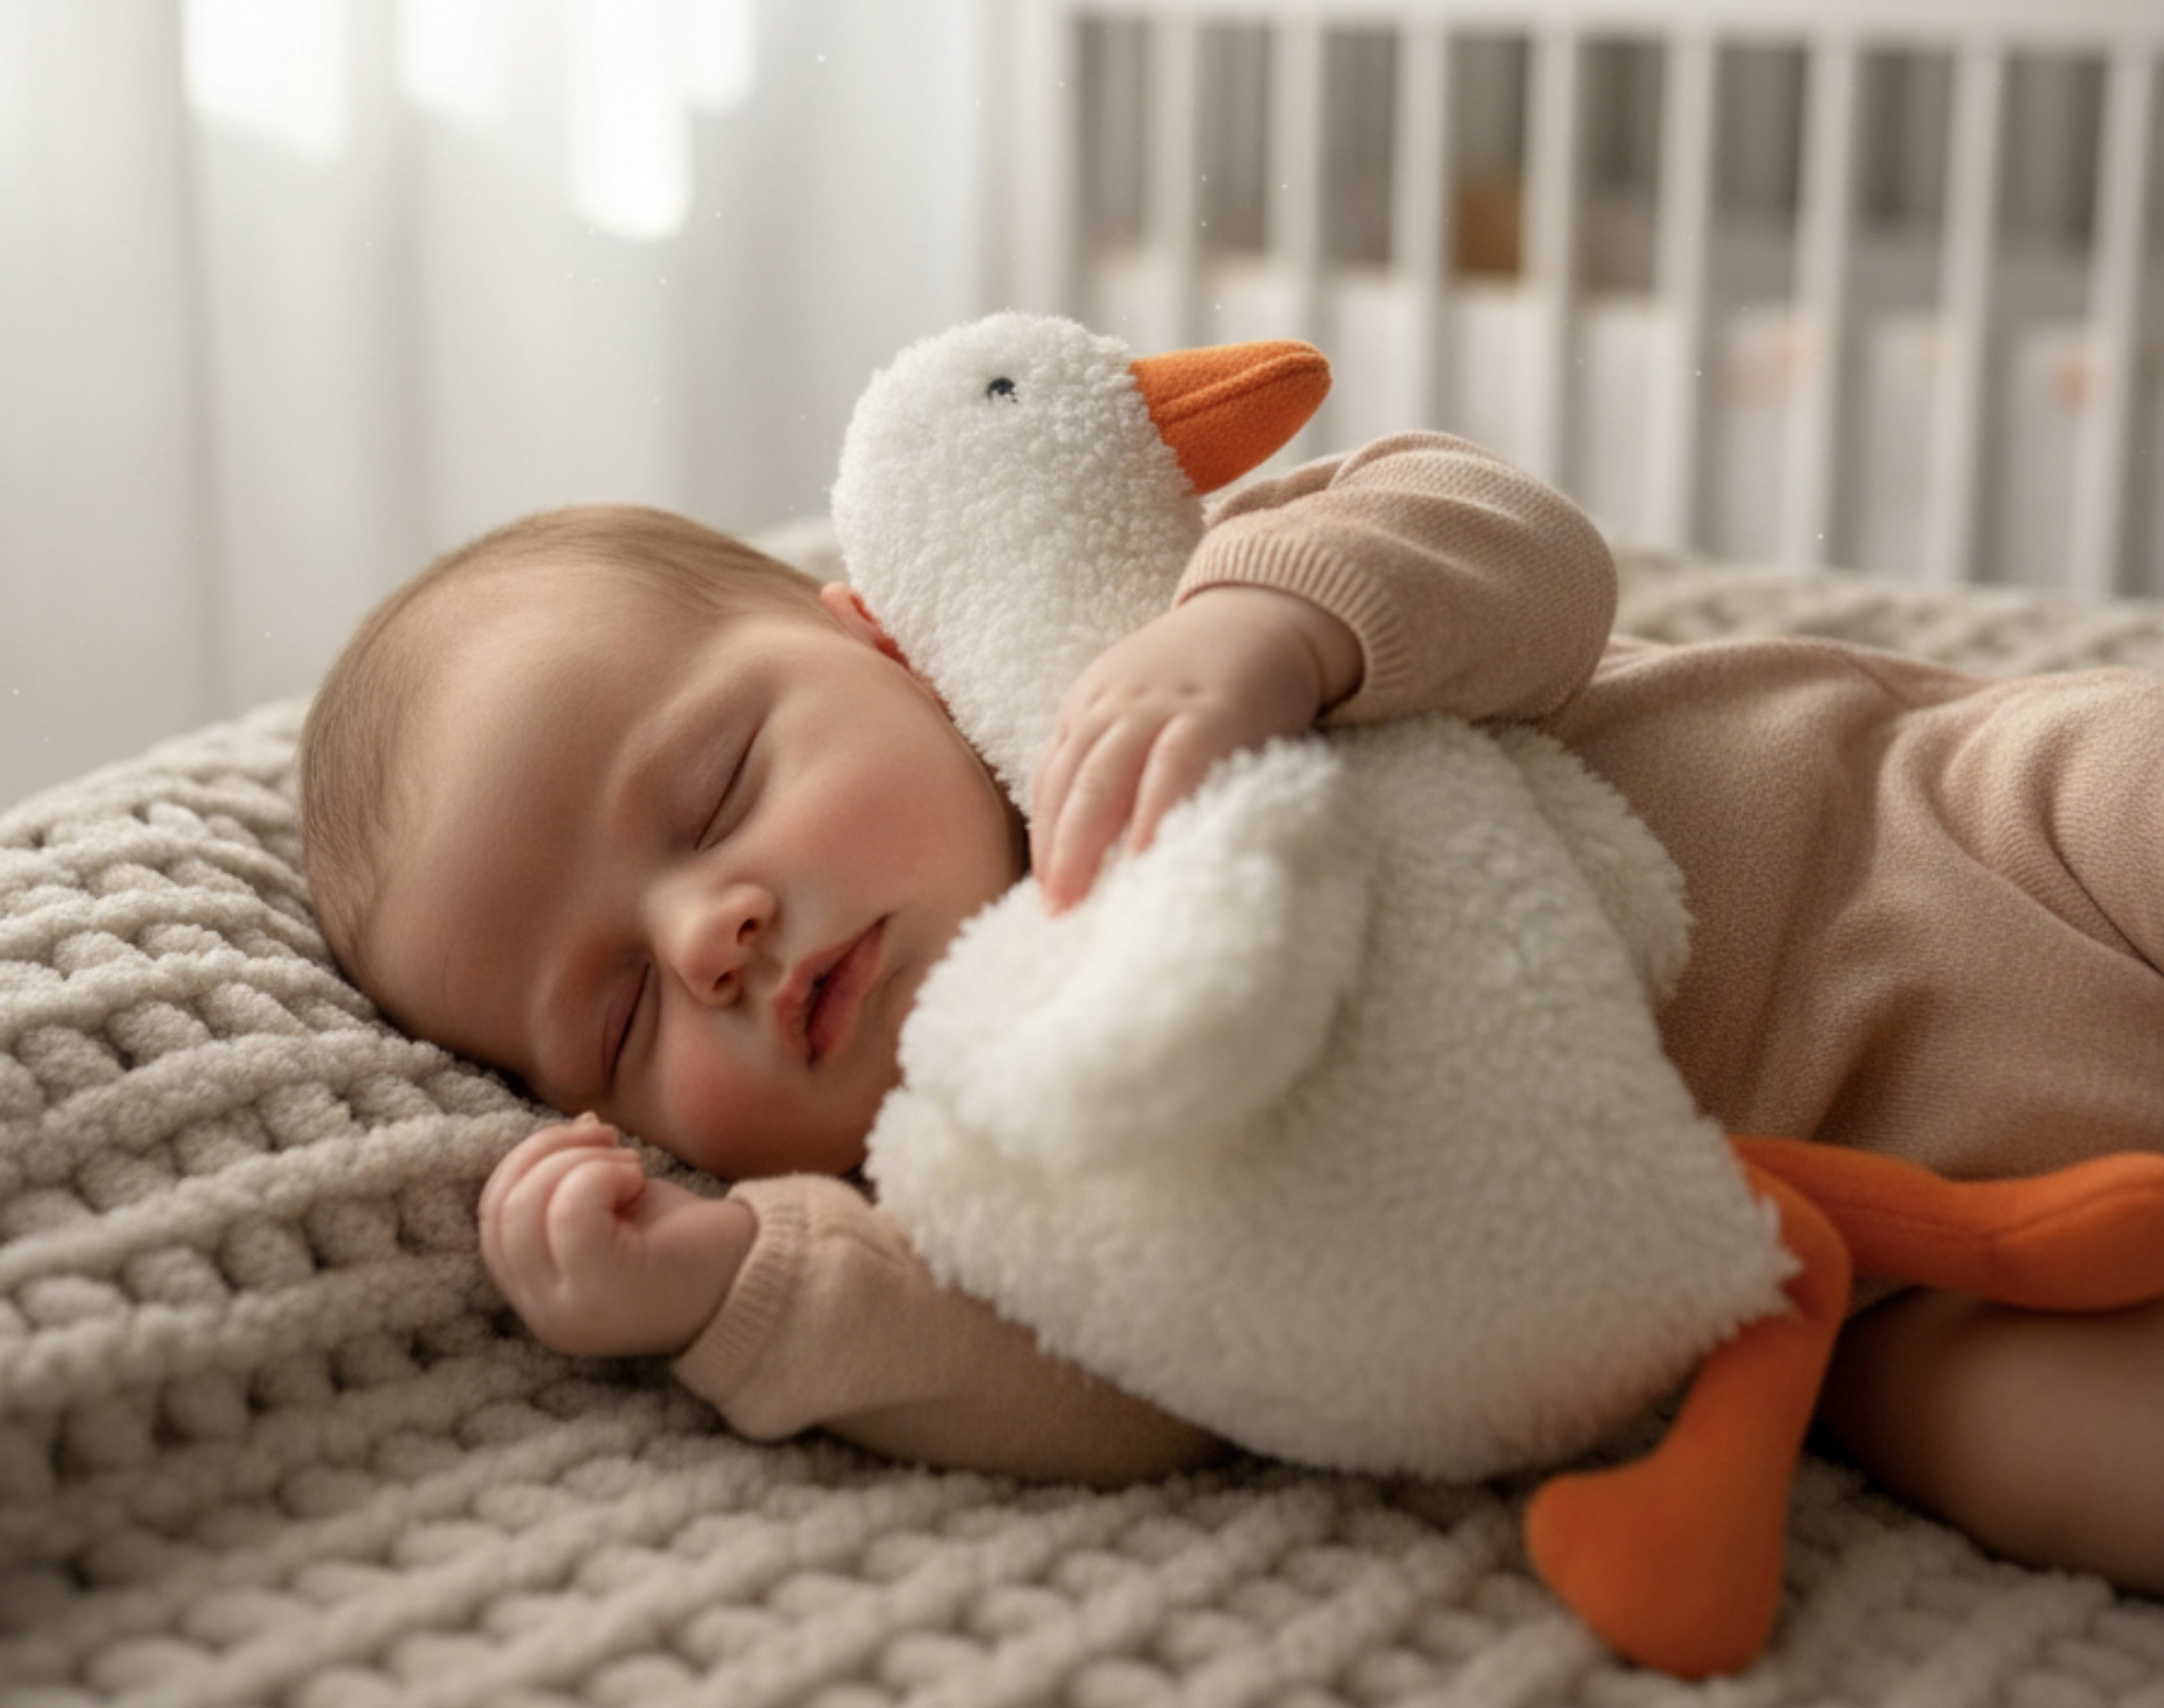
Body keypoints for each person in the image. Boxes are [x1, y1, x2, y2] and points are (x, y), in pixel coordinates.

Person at [299, 433, 2164, 1586]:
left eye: (713, 795)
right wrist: (736, 1291)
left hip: (1941, 831)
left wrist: (1272, 628)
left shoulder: (1134, 643)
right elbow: (1128, 1389)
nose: (712, 934)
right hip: (1885, 1272)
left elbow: (1516, 550)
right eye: (622, 1017)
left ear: (876, 638)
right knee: (2032, 1456)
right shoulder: (981, 1175)